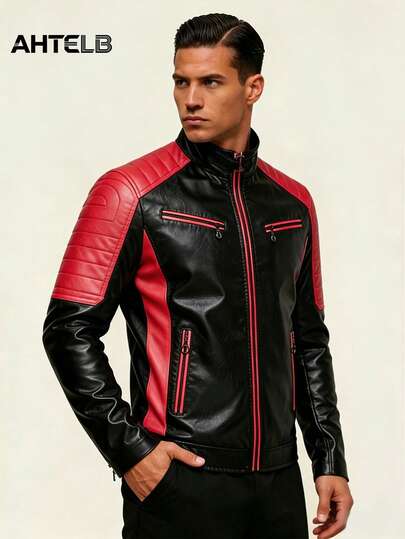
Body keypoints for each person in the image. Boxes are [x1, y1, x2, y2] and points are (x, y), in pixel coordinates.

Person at [42, 12, 354, 539]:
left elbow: (307, 341)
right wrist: (130, 451)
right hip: (181, 477)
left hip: (278, 482)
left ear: (253, 88)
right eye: (181, 82)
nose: (191, 99)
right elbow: (67, 329)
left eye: (210, 82)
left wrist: (328, 458)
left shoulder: (293, 204)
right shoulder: (129, 192)